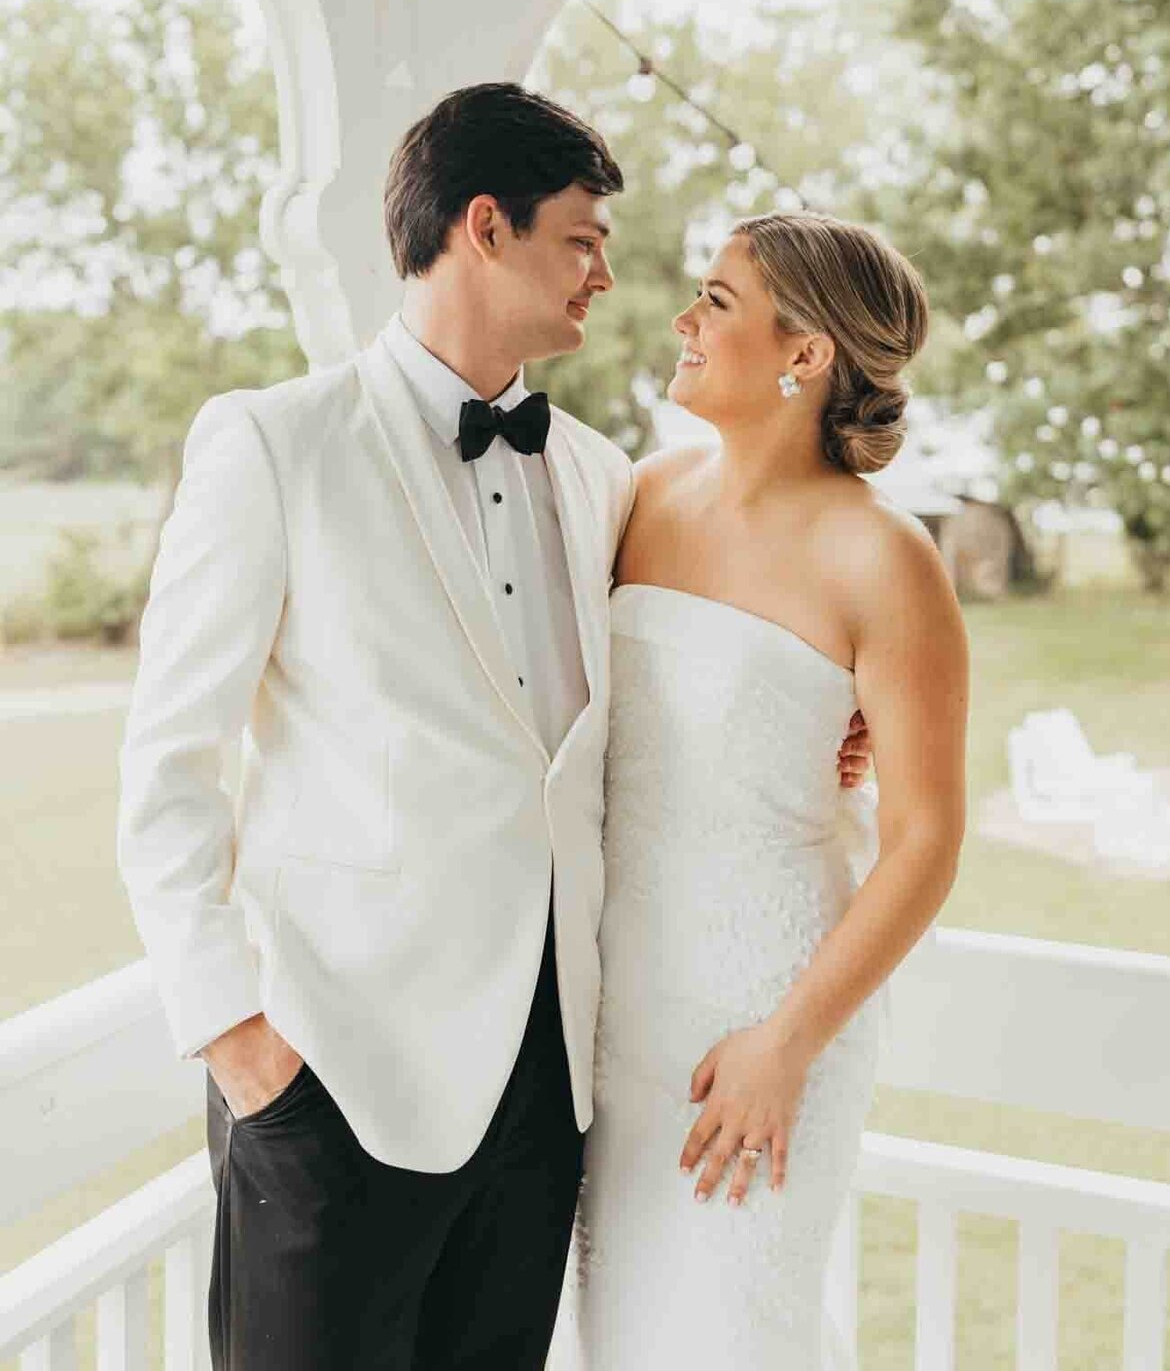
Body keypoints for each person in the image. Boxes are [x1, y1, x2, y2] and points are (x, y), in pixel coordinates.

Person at [116, 83, 870, 1371]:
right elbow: (168, 763)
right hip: (332, 1086)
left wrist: (823, 721)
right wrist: (240, 1046)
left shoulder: (600, 474)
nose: (605, 275)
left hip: (548, 1098)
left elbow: (664, 694)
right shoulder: (274, 444)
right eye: (581, 239)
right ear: (483, 226)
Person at [565, 212, 968, 1369]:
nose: (685, 321)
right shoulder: (643, 495)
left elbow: (928, 841)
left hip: (763, 1022)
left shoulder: (885, 559)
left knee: (733, 1333)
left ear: (808, 355)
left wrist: (787, 1043)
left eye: (717, 301)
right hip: (610, 1022)